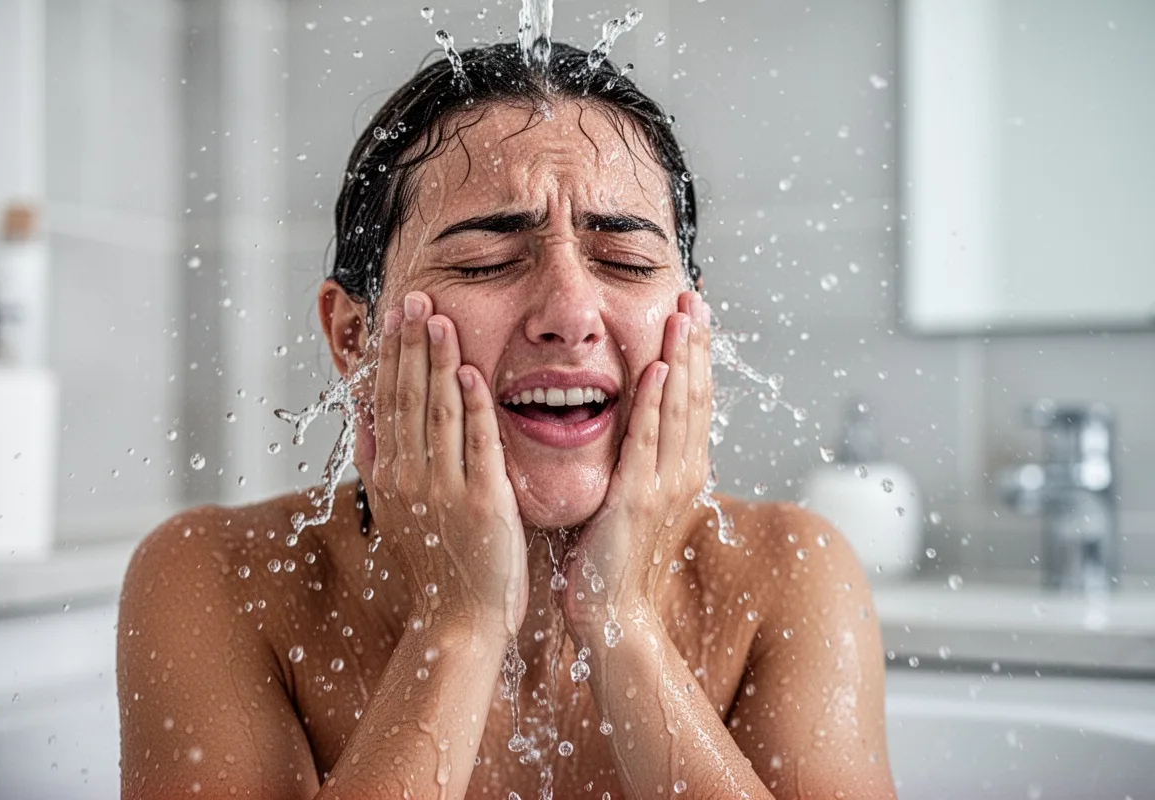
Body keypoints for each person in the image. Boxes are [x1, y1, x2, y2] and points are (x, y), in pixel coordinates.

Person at [117, 41, 897, 800]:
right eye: (485, 262)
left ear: (693, 320)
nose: (569, 314)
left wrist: (622, 619)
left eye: (625, 262)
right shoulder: (220, 581)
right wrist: (458, 623)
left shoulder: (788, 576)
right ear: (355, 335)